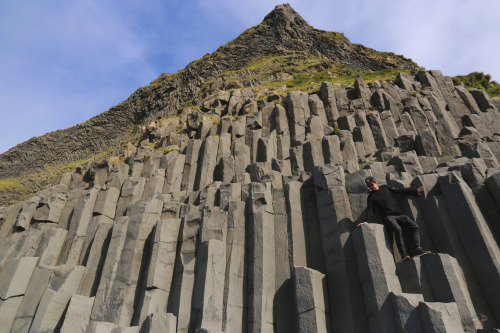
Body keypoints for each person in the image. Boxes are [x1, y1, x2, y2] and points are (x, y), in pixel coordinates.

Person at [357, 176, 430, 261]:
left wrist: (414, 191)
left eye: (371, 184)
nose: (371, 187)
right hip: (388, 218)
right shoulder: (371, 197)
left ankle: (418, 250)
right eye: (368, 186)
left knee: (414, 226)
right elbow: (370, 210)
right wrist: (367, 222)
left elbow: (400, 190)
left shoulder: (386, 187)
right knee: (398, 229)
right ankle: (404, 255)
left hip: (399, 215)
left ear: (375, 182)